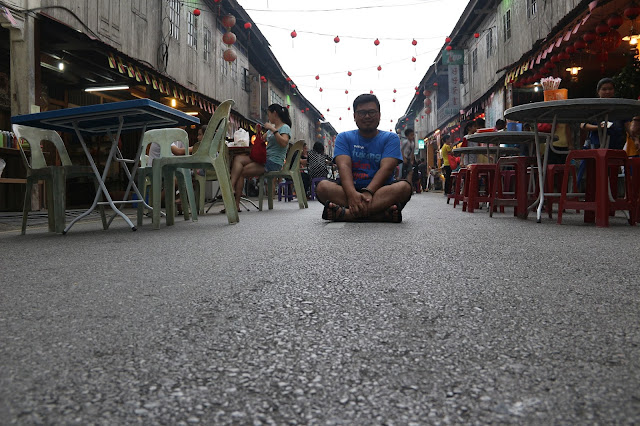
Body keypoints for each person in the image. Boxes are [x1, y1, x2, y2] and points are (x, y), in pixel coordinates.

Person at [316, 94, 412, 222]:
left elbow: (387, 168)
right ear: (354, 116)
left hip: (380, 191)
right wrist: (351, 194)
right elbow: (344, 166)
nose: (367, 116)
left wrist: (369, 192)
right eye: (362, 113)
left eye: (372, 112)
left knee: (404, 188)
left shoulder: (391, 138)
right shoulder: (343, 137)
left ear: (379, 115)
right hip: (347, 190)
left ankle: (347, 214)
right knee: (322, 187)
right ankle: (380, 215)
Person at [229, 103, 291, 212]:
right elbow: (261, 140)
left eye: (269, 114)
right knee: (238, 159)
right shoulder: (271, 129)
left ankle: (235, 203)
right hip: (264, 158)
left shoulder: (284, 127)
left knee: (241, 171)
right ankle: (231, 187)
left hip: (273, 162)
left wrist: (273, 130)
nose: (268, 117)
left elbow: (284, 143)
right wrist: (259, 134)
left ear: (274, 114)